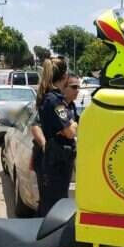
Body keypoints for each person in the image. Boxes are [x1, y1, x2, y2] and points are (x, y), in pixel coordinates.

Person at [30, 73, 79, 215]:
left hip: (63, 157)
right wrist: (45, 145)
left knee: (60, 200)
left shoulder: (71, 106)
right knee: (49, 203)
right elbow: (35, 125)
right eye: (73, 87)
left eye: (78, 87)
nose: (77, 90)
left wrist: (70, 126)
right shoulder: (53, 102)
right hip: (51, 157)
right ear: (64, 86)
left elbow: (72, 130)